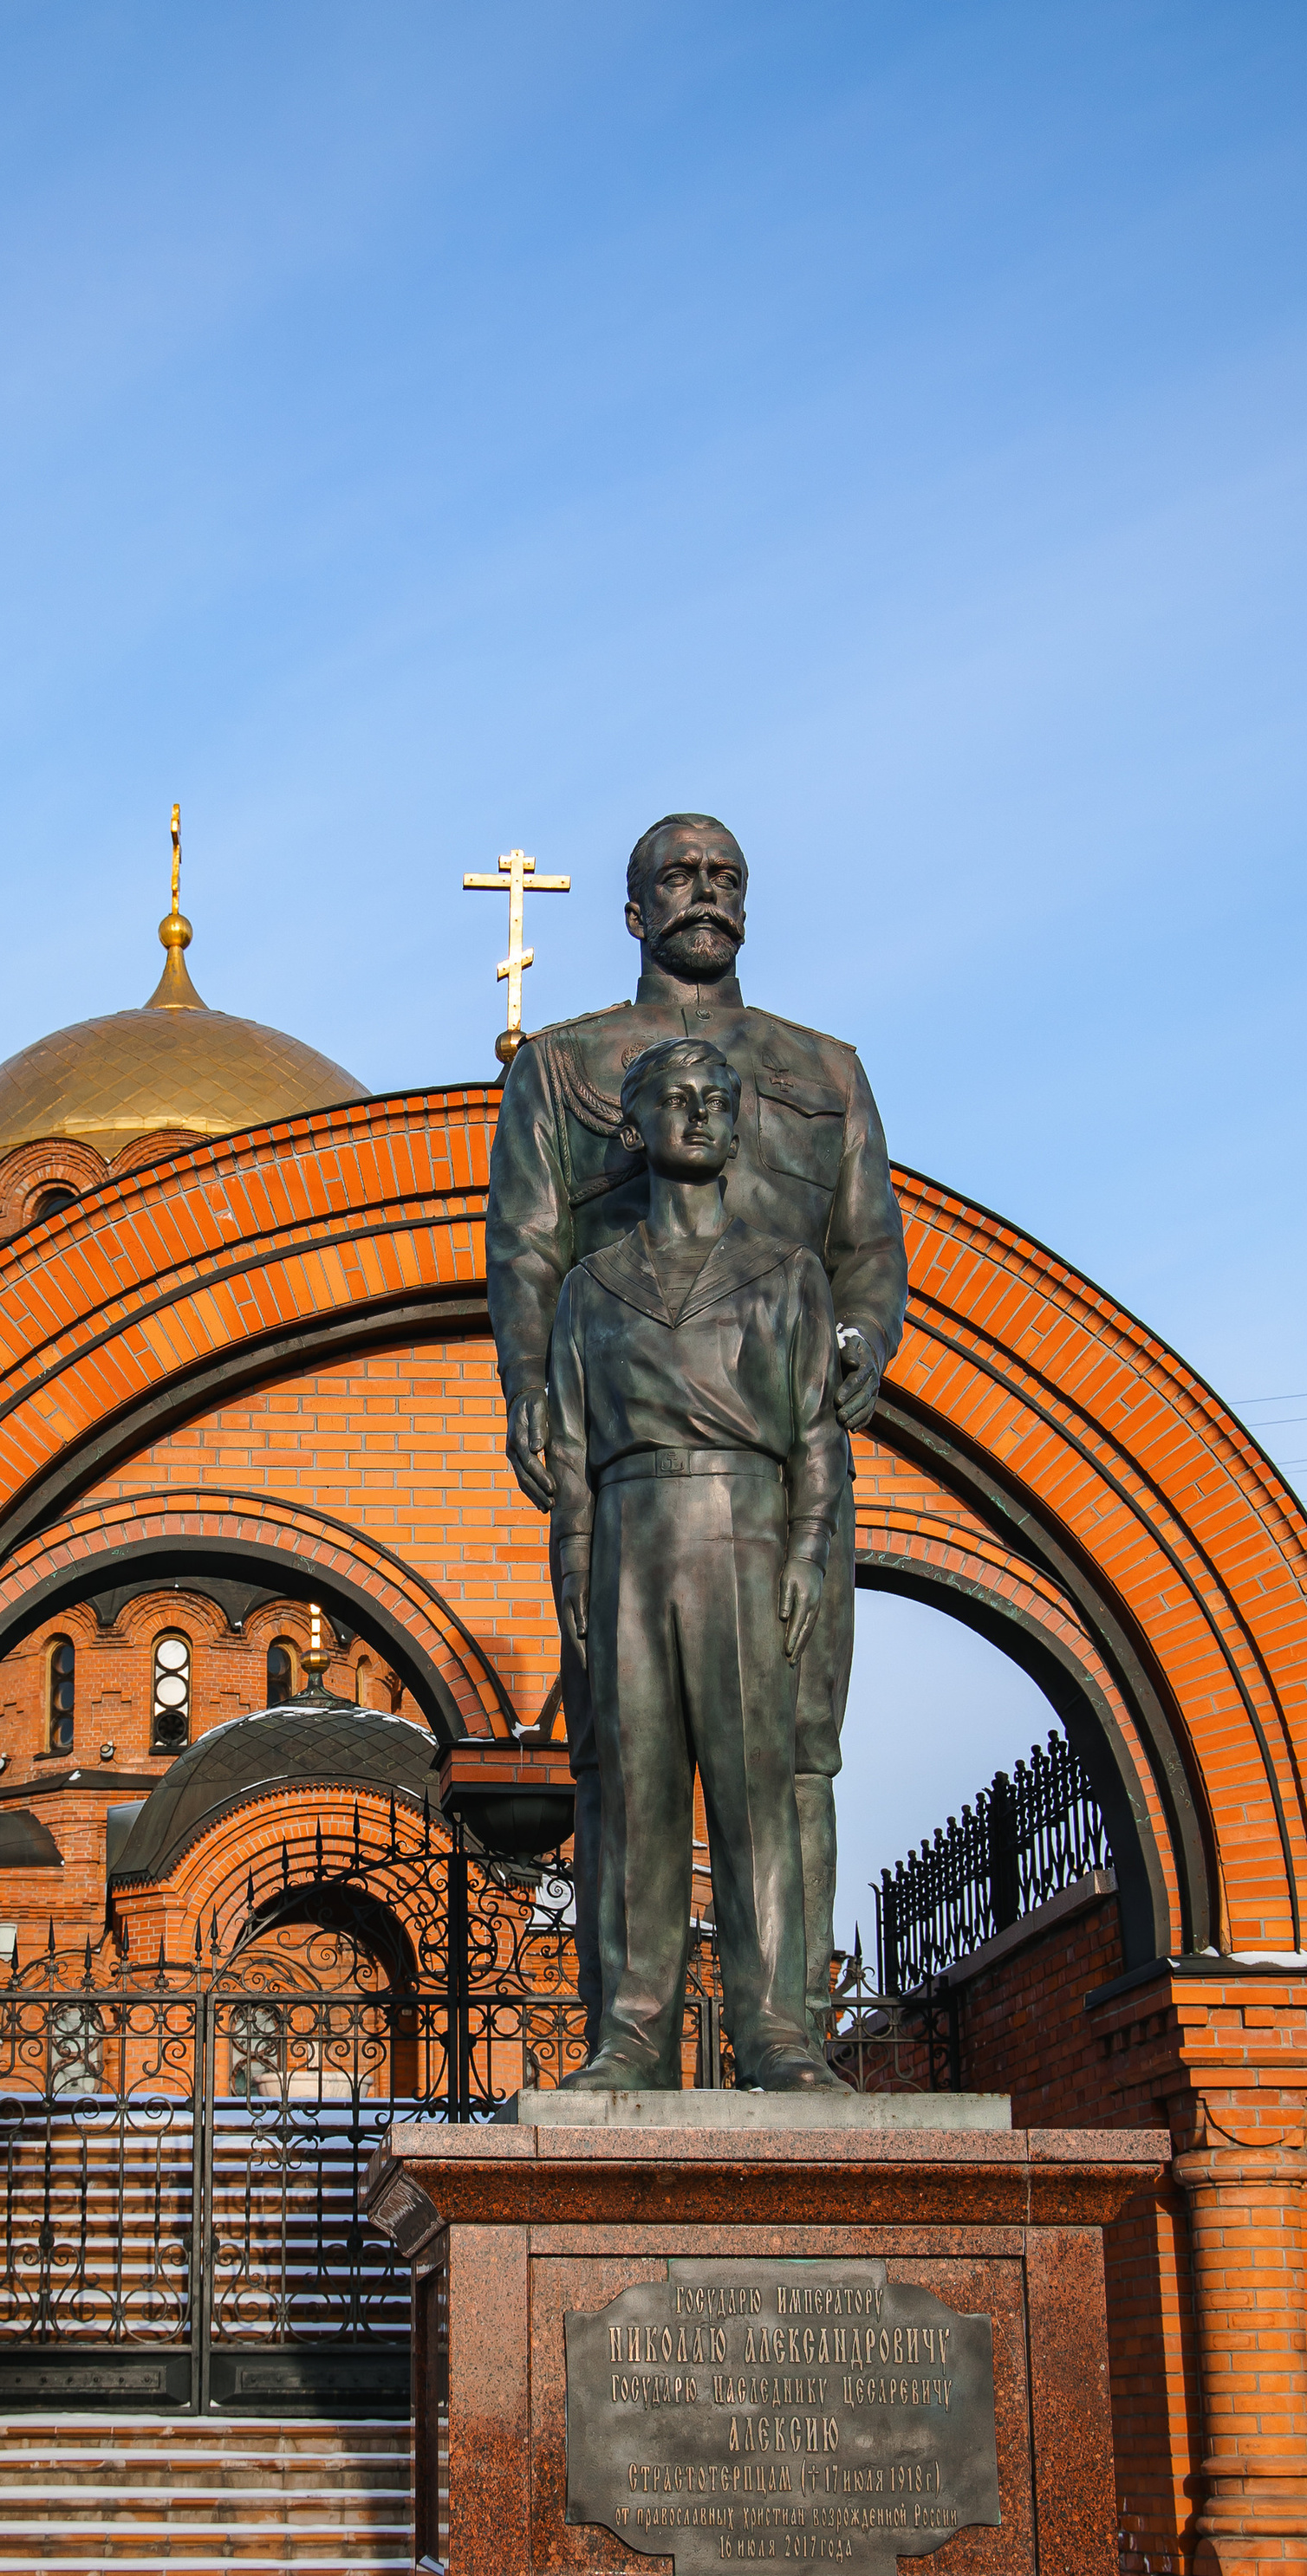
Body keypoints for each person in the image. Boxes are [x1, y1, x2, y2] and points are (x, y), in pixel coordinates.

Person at [486, 813, 907, 2045]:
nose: (704, 894)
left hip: (781, 1446)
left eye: (724, 877)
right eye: (678, 877)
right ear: (634, 911)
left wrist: (857, 1348)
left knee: (790, 1753)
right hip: (635, 1442)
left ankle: (788, 2034)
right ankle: (633, 2032)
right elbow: (526, 1246)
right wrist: (534, 1392)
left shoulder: (823, 1071)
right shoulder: (566, 1065)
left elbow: (868, 1249)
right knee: (625, 1757)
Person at [547, 1038, 847, 2093]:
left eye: (719, 1098)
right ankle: (632, 2033)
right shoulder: (591, 1287)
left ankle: (775, 2031)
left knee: (756, 1788)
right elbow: (573, 1451)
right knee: (634, 1791)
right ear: (636, 1125)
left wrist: (808, 1548)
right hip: (631, 1527)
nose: (702, 1112)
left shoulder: (785, 1271)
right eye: (677, 1098)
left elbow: (816, 1432)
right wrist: (577, 1562)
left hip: (745, 1524)